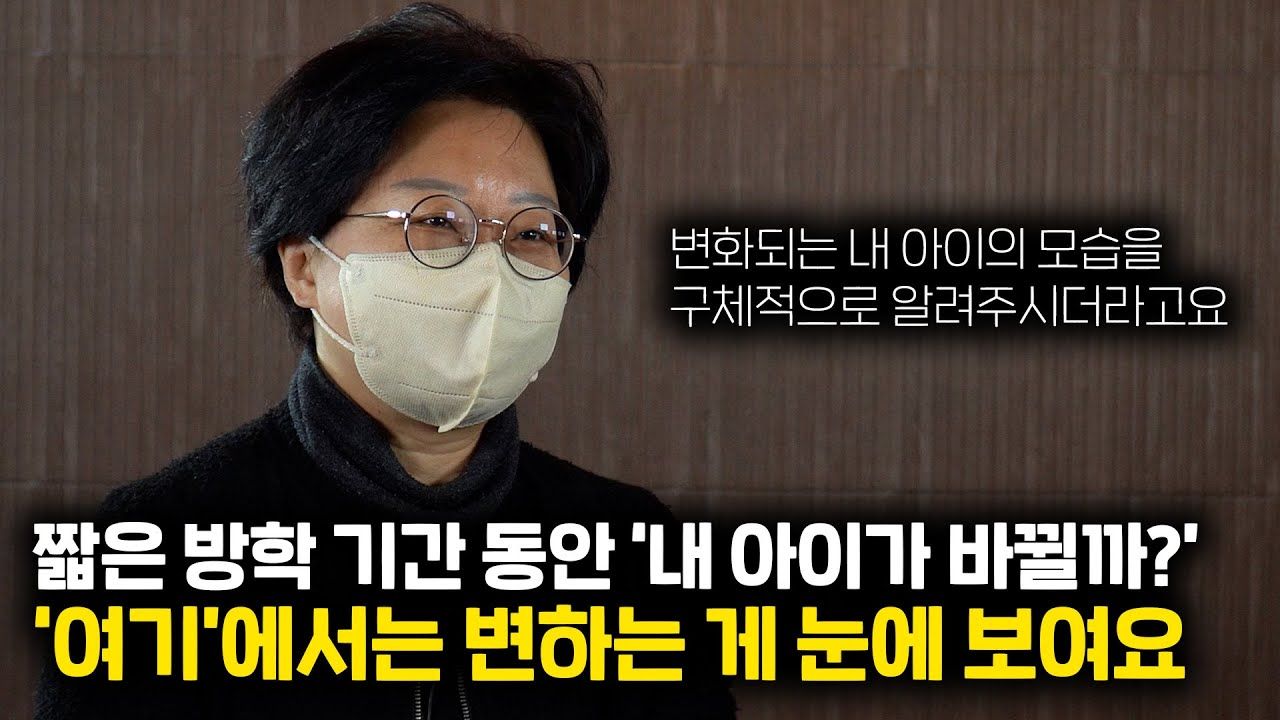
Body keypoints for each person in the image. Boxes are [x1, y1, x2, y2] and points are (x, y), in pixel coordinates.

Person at [35, 3, 735, 718]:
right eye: (436, 220)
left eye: (532, 233)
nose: (489, 267)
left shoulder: (633, 546)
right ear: (304, 266)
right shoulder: (155, 547)